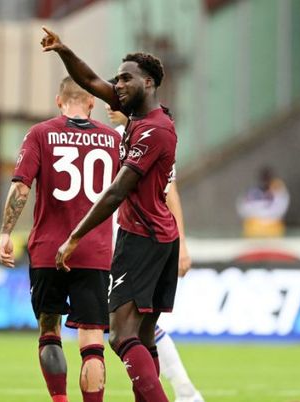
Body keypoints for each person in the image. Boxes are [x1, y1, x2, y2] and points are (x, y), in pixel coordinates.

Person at [43, 27, 178, 402]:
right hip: (159, 237)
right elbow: (87, 79)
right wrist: (63, 49)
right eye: (116, 78)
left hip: (143, 239)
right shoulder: (143, 116)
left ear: (148, 82)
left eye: (125, 79)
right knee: (144, 338)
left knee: (120, 335)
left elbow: (117, 190)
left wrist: (75, 236)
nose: (116, 85)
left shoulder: (154, 131)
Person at [0, 77, 121, 402]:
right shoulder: (112, 140)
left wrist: (6, 232)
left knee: (49, 330)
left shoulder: (40, 133)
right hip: (94, 252)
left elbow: (21, 188)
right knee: (92, 341)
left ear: (58, 101)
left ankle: (59, 400)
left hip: (48, 252)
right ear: (92, 102)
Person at [106, 105, 204, 402]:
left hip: (132, 242)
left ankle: (184, 391)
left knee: (126, 331)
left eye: (118, 98)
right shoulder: (132, 135)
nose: (110, 106)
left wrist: (183, 242)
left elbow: (168, 191)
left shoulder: (130, 138)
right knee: (141, 329)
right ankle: (185, 390)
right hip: (129, 241)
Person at [235, 166, 290, 238]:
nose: (265, 180)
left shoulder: (278, 190)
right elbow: (242, 207)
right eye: (264, 177)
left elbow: (281, 207)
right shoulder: (252, 192)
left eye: (267, 177)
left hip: (273, 228)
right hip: (253, 228)